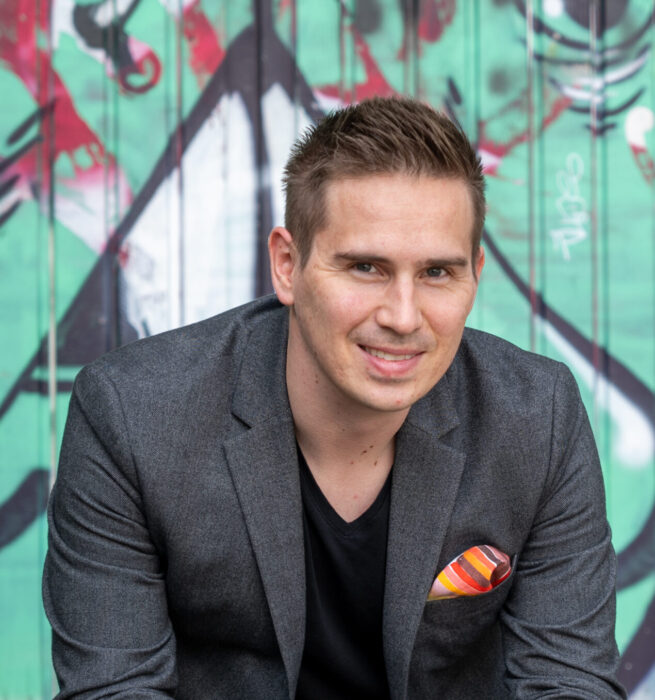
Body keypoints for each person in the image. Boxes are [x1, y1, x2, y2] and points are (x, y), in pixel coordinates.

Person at [43, 96, 625, 699]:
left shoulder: (536, 417)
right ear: (287, 265)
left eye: (436, 273)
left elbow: (570, 682)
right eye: (366, 267)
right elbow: (114, 688)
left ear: (474, 274)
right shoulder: (133, 418)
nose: (403, 317)